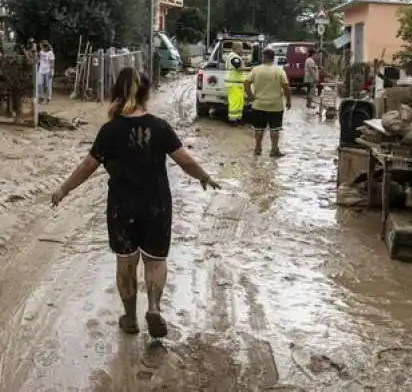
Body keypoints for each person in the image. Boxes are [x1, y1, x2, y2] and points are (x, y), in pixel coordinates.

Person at [50, 67, 220, 338]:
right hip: (157, 205)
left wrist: (63, 189)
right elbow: (184, 159)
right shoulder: (160, 127)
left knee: (126, 262)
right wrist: (204, 176)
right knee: (155, 260)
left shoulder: (110, 130)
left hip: (122, 206)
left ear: (117, 93)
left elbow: (88, 165)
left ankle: (129, 319)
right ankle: (153, 306)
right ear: (146, 94)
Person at [244, 47, 291, 157]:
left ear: (263, 57)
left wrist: (251, 96)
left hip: (258, 105)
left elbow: (246, 82)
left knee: (258, 129)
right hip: (275, 106)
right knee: (275, 129)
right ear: (273, 58)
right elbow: (286, 87)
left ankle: (257, 149)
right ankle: (274, 150)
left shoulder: (256, 70)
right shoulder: (279, 70)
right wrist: (288, 100)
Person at [225, 52, 245, 124]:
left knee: (239, 102)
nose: (242, 49)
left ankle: (238, 118)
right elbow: (238, 68)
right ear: (237, 48)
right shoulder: (234, 56)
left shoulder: (233, 56)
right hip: (234, 84)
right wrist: (250, 68)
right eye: (241, 47)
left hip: (237, 84)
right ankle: (232, 120)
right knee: (235, 102)